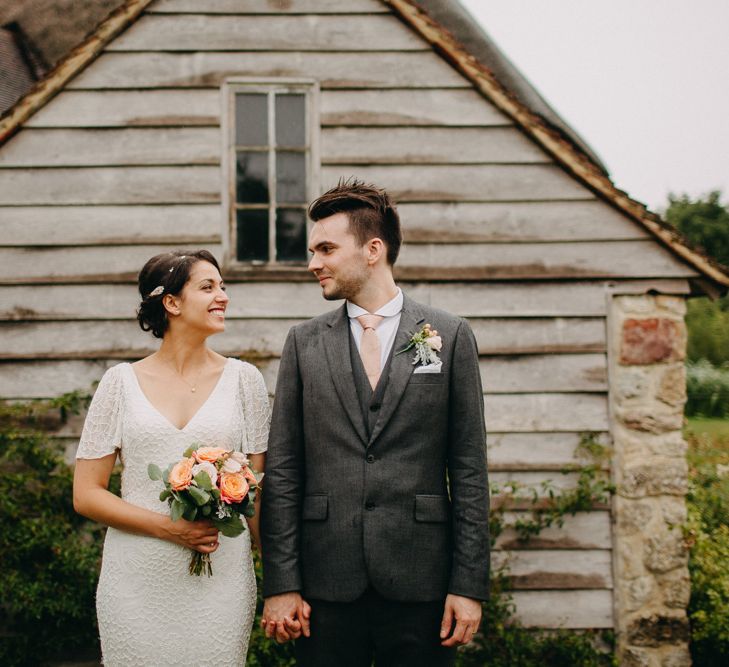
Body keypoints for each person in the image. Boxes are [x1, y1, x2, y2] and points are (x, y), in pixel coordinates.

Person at [260, 180, 490, 666]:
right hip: (324, 583)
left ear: (373, 250)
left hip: (421, 580)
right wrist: (282, 583)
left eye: (325, 248)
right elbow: (283, 470)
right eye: (312, 250)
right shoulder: (303, 343)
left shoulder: (446, 335)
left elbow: (469, 468)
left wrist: (468, 586)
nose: (312, 263)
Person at [73, 250, 269, 666]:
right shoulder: (119, 384)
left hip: (221, 578)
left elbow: (260, 495)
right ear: (172, 303)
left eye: (223, 286)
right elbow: (86, 494)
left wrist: (283, 584)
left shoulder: (244, 381)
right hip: (136, 580)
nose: (223, 297)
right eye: (208, 287)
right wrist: (170, 529)